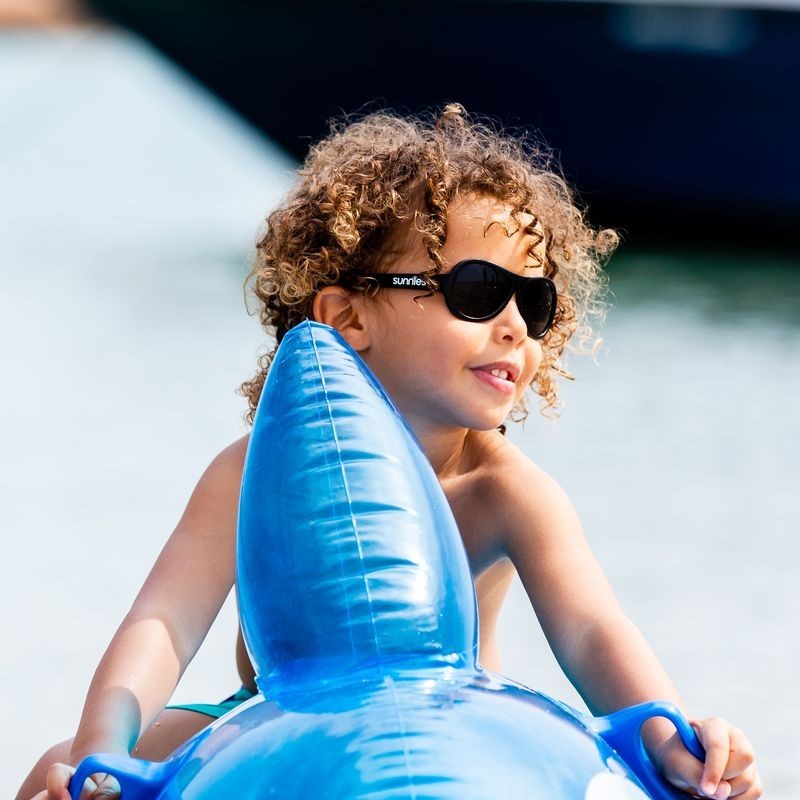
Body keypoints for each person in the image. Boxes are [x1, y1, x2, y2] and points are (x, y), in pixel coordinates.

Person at [20, 104, 761, 800]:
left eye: (535, 305)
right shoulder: (250, 474)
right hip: (277, 726)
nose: (513, 327)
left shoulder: (510, 491)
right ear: (347, 318)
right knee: (47, 768)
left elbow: (593, 629)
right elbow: (165, 623)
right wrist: (99, 750)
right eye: (476, 290)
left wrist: (668, 737)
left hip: (456, 735)